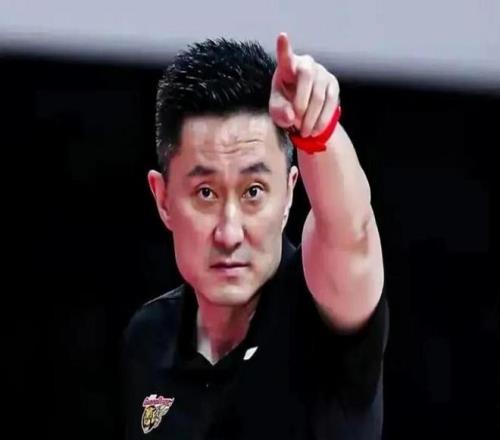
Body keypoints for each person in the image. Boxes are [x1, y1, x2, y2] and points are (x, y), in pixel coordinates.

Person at [122, 32, 389, 439]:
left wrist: (318, 131)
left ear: (289, 193)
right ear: (163, 199)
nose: (229, 233)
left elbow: (349, 229)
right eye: (205, 193)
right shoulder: (148, 338)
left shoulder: (321, 316)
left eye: (253, 192)